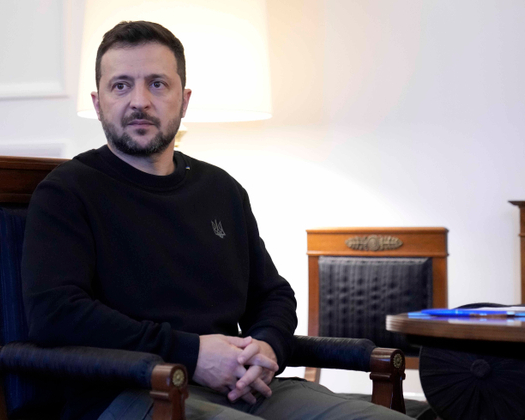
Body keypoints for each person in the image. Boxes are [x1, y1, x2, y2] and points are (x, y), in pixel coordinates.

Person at [21, 20, 411, 420]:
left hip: (243, 386)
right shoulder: (68, 191)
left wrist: (266, 346)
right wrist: (192, 354)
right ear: (98, 101)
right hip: (132, 392)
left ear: (184, 100)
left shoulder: (221, 189)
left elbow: (272, 295)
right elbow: (55, 314)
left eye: (157, 84)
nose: (140, 101)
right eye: (120, 85)